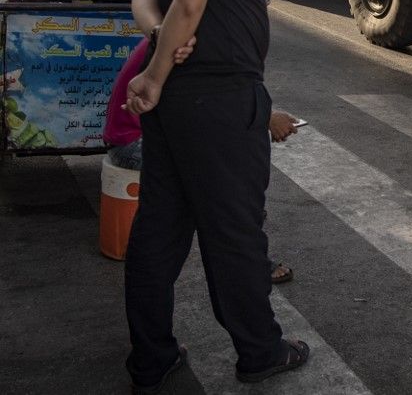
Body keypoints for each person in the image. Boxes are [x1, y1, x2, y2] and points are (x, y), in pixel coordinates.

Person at [123, 0, 309, 392]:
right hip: (217, 98)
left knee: (159, 232)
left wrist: (160, 46)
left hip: (184, 94)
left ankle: (151, 358)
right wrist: (155, 71)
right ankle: (260, 352)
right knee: (234, 233)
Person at [104, 37, 296, 284]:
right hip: (132, 142)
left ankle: (243, 237)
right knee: (225, 186)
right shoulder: (184, 44)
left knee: (229, 175)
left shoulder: (183, 37)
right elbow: (212, 105)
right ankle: (250, 257)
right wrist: (267, 119)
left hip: (144, 135)